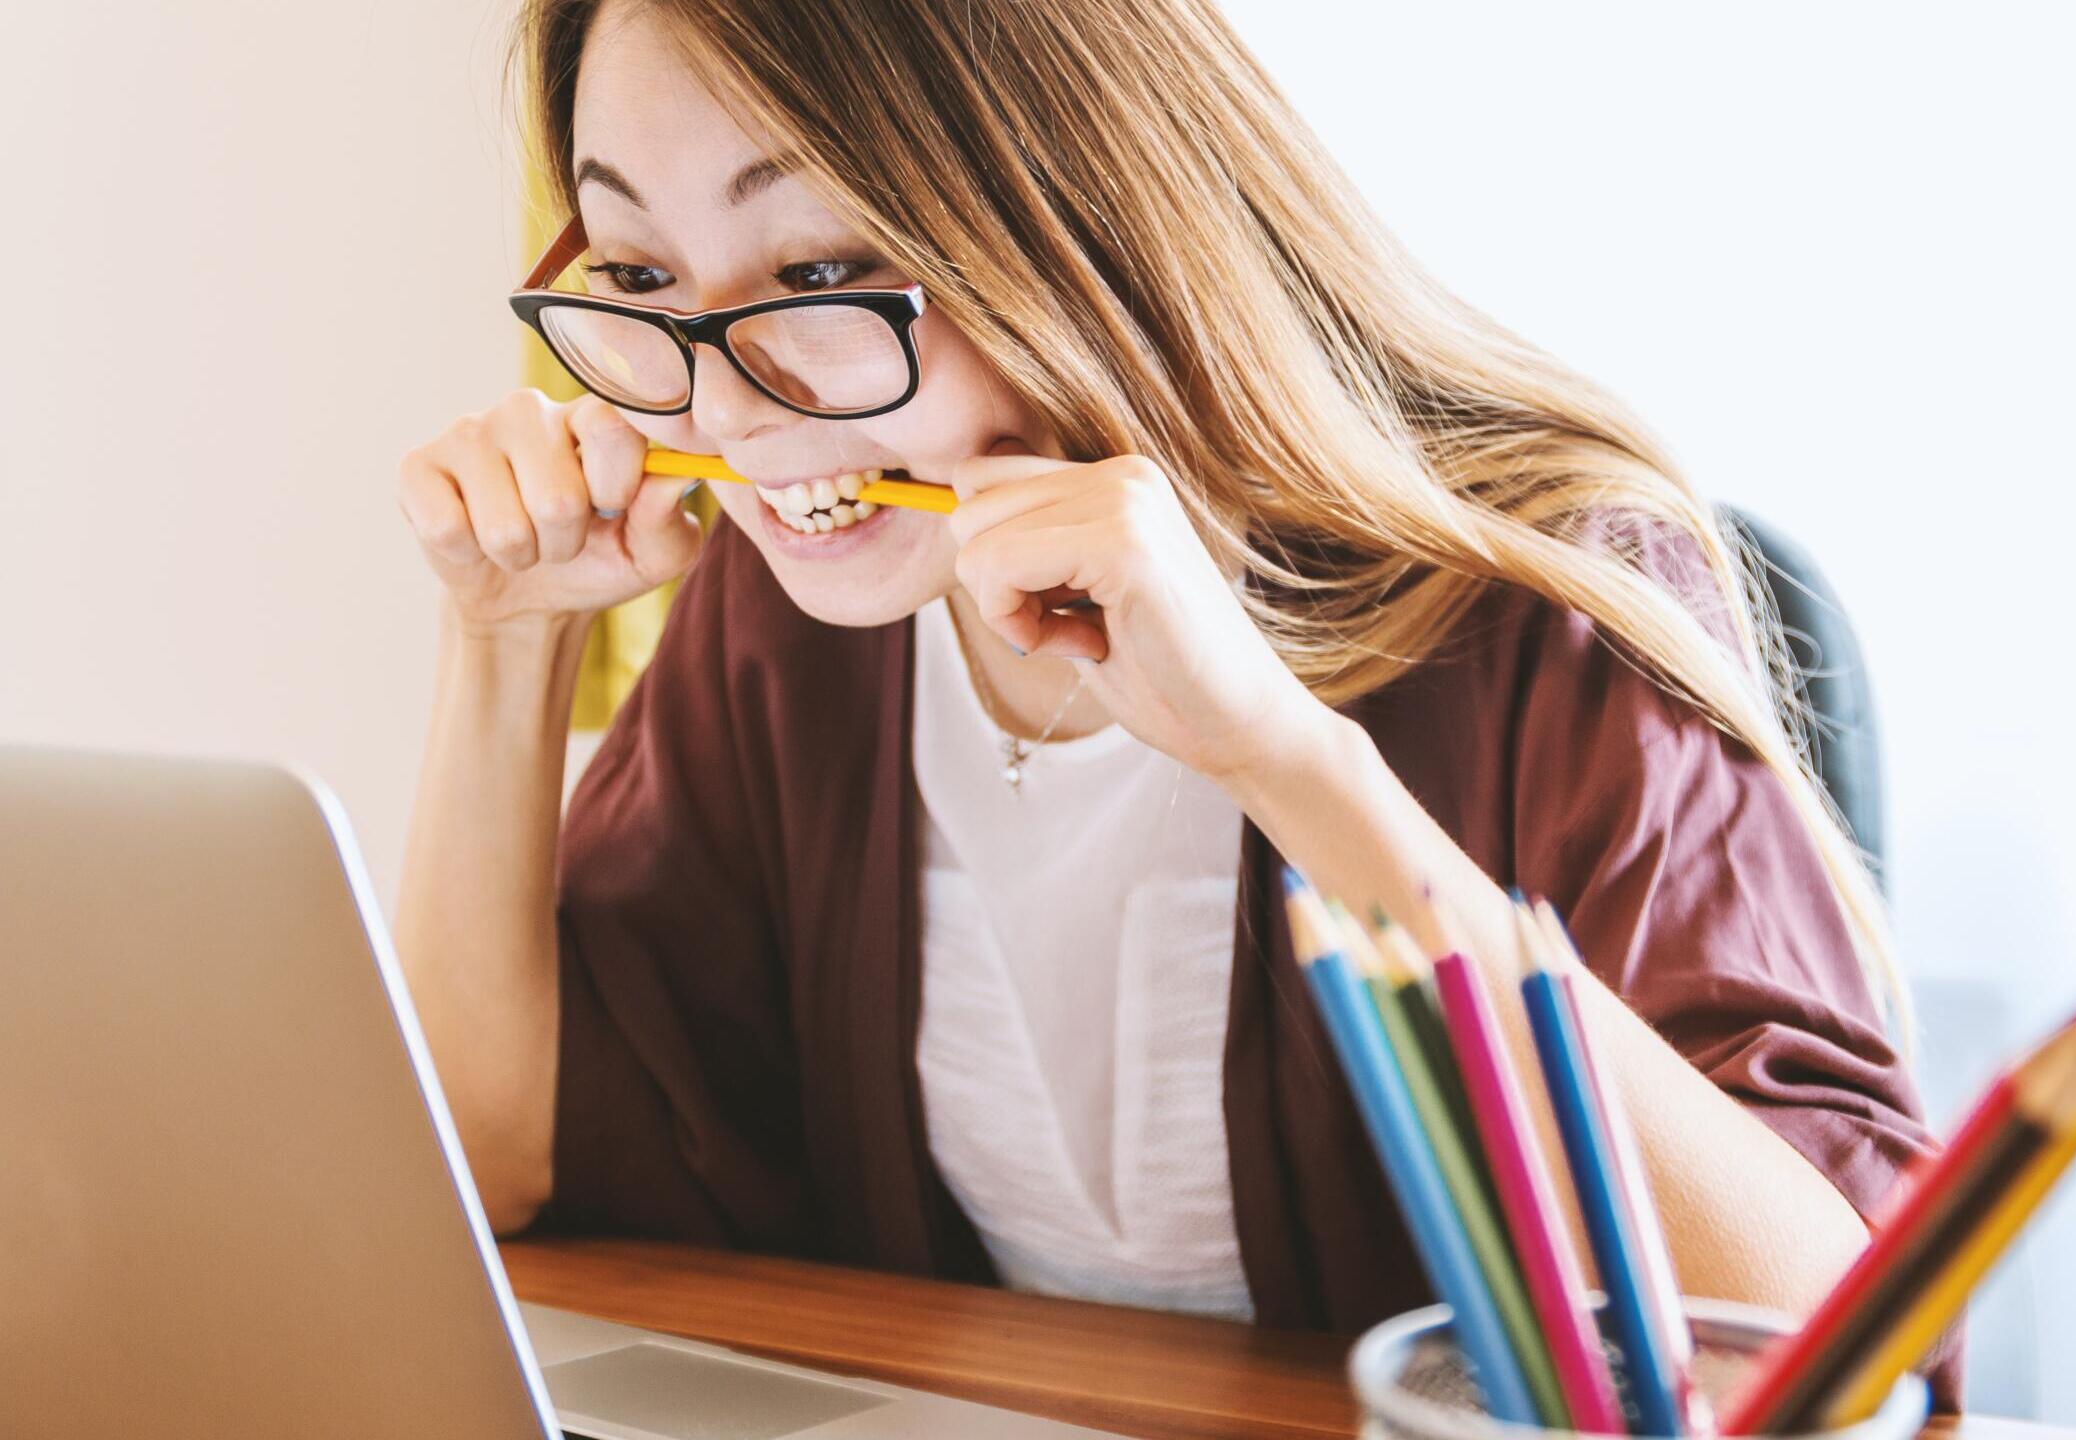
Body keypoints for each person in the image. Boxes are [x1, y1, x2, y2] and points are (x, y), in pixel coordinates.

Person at [394, 0, 1956, 1405]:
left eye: (821, 271)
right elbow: (491, 1162)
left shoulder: (1546, 597)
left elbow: (1827, 1345)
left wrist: (1281, 760)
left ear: (1081, 215)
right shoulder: (799, 609)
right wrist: (503, 643)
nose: (727, 411)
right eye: (644, 277)